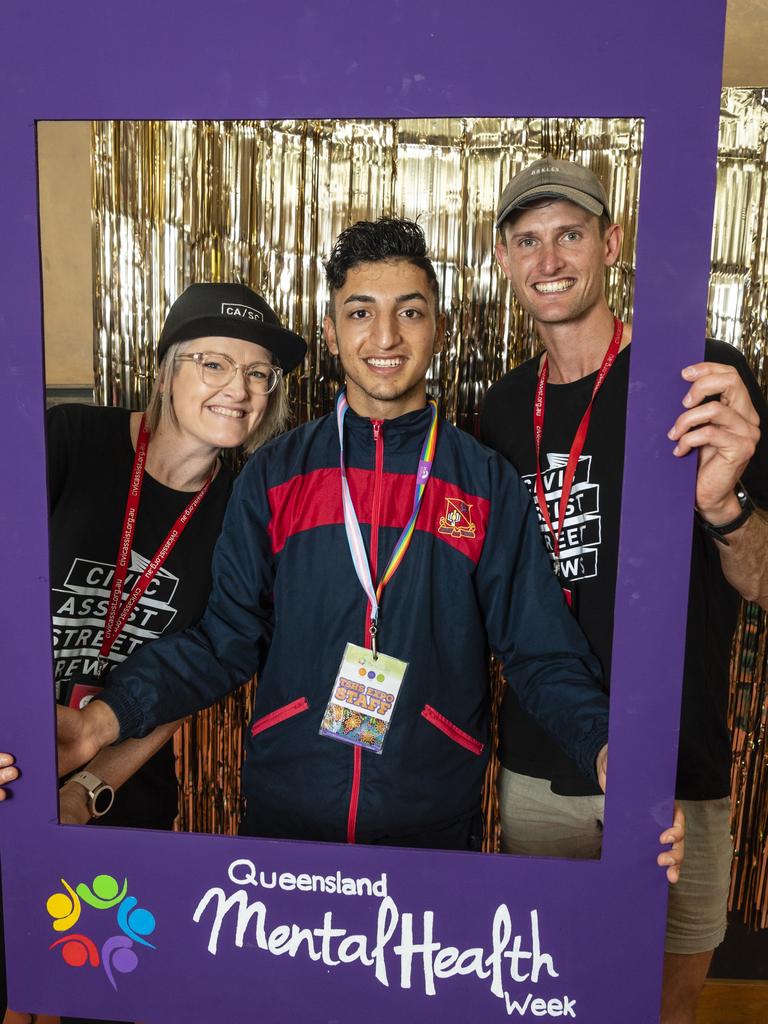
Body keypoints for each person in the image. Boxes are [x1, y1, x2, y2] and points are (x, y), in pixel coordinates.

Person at [57, 217, 631, 854]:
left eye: (409, 312)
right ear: (331, 332)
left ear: (437, 329)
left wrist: (603, 743)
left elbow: (539, 648)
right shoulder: (275, 476)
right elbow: (225, 640)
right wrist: (104, 720)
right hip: (287, 813)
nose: (385, 335)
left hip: (433, 816)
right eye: (361, 312)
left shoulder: (485, 481)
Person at [481, 157, 768, 1024]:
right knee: (546, 1001)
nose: (549, 258)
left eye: (569, 233)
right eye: (527, 240)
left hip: (679, 762)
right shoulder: (496, 411)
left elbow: (761, 581)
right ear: (502, 261)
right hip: (540, 767)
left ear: (612, 242)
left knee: (665, 1007)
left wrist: (723, 507)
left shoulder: (702, 375)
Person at [4, 281, 306, 1024]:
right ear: (167, 369)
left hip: (120, 794)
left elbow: (198, 675)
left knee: (92, 998)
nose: (238, 390)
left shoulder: (245, 508)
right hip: (8, 767)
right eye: (213, 363)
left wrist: (88, 792)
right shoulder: (68, 438)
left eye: (259, 372)